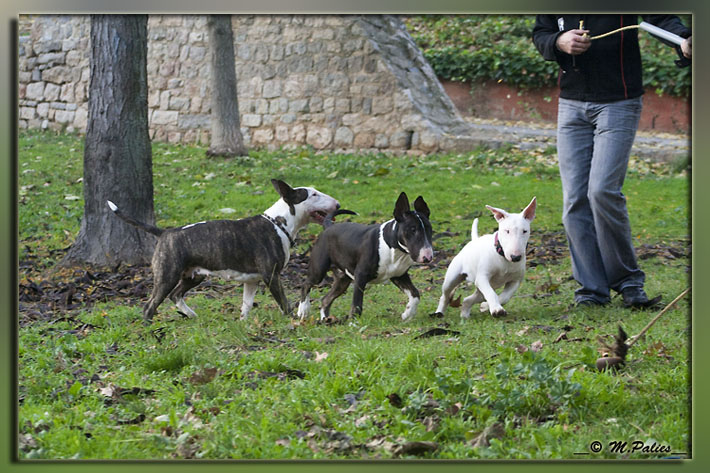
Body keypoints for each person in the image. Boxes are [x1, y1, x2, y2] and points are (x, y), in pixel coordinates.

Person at [532, 15, 691, 308]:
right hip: (571, 104)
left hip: (619, 102)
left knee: (602, 190)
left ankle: (628, 280)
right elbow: (541, 32)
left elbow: (660, 17)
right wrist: (558, 41)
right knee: (575, 199)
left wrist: (683, 38)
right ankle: (591, 290)